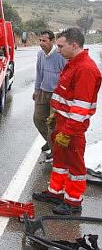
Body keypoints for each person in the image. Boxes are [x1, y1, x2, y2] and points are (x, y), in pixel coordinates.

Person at [32, 27, 101, 215]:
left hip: (73, 127)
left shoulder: (85, 69)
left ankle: (73, 202)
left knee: (74, 166)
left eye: (61, 46)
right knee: (60, 161)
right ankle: (56, 192)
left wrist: (68, 132)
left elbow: (80, 108)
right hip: (63, 121)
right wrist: (57, 115)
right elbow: (65, 96)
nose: (58, 49)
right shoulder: (71, 62)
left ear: (75, 45)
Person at [33, 30, 67, 160]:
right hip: (43, 92)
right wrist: (36, 90)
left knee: (52, 124)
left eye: (44, 41)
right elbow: (39, 73)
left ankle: (55, 152)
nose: (41, 43)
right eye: (40, 40)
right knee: (38, 119)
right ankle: (49, 141)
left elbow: (66, 75)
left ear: (52, 41)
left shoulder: (60, 56)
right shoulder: (40, 54)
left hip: (57, 94)